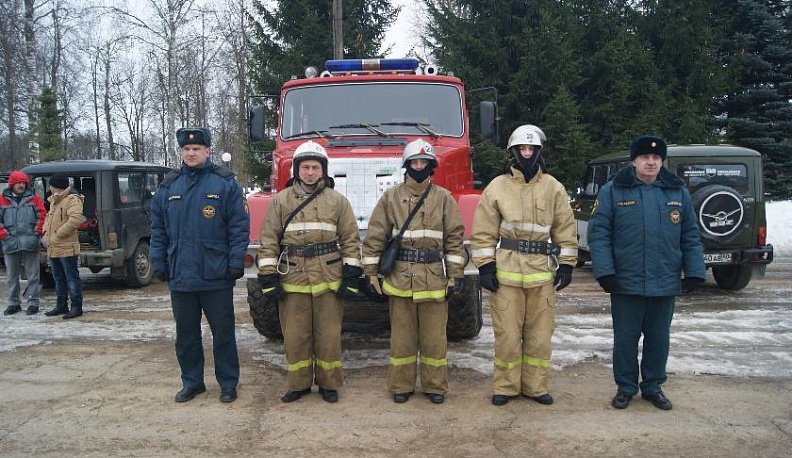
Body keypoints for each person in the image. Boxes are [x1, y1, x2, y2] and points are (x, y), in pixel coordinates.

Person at [587, 135, 705, 411]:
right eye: (645, 158)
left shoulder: (677, 192)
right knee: (625, 340)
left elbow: (690, 235)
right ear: (634, 161)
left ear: (662, 161)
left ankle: (653, 386)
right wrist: (605, 272)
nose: (650, 162)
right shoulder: (613, 190)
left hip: (664, 282)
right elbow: (600, 234)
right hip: (626, 282)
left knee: (659, 339)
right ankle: (625, 388)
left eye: (656, 158)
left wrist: (695, 271)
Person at [470, 124, 578, 406]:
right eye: (522, 148)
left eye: (531, 149)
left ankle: (535, 387)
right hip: (506, 275)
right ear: (513, 151)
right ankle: (505, 387)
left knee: (540, 337)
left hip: (541, 276)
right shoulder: (497, 187)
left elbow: (565, 227)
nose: (526, 153)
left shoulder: (553, 187)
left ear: (539, 151)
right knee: (507, 336)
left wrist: (566, 264)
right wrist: (485, 267)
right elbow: (483, 231)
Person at [361, 139, 465, 405]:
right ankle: (401, 385)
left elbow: (454, 238)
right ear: (407, 166)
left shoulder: (444, 199)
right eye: (415, 162)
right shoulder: (391, 197)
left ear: (431, 166)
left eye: (424, 163)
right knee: (402, 339)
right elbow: (375, 236)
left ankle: (435, 387)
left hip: (434, 278)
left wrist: (455, 274)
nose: (419, 167)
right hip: (400, 277)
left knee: (434, 340)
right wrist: (371, 273)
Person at [150, 127, 250, 404]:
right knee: (186, 336)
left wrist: (235, 261)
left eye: (197, 149)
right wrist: (158, 261)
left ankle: (228, 383)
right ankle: (192, 382)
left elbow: (239, 228)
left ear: (208, 151)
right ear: (181, 152)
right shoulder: (168, 187)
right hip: (180, 274)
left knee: (223, 334)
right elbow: (158, 229)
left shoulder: (225, 184)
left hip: (216, 273)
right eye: (186, 149)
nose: (191, 153)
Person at [257, 140, 361, 404]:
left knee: (328, 335)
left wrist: (350, 274)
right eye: (305, 167)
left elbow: (350, 239)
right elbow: (269, 239)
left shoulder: (338, 202)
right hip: (293, 277)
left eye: (315, 167)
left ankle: (329, 384)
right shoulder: (280, 201)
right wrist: (268, 276)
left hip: (328, 277)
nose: (310, 172)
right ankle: (299, 384)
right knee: (296, 336)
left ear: (323, 170)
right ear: (296, 170)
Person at [0, 171, 47, 316]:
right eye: (18, 183)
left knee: (33, 275)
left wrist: (36, 233)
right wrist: (4, 235)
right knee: (11, 276)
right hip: (10, 242)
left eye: (23, 183)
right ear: (12, 184)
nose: (21, 185)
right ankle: (14, 303)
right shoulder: (2, 200)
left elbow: (42, 216)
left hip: (30, 242)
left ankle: (33, 303)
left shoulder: (35, 199)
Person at [42, 174, 84, 319]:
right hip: (53, 247)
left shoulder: (72, 200)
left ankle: (76, 307)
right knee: (58, 278)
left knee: (71, 278)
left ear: (56, 185)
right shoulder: (54, 201)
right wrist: (45, 232)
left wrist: (57, 234)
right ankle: (61, 305)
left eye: (51, 185)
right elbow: (49, 218)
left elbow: (74, 221)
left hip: (67, 247)